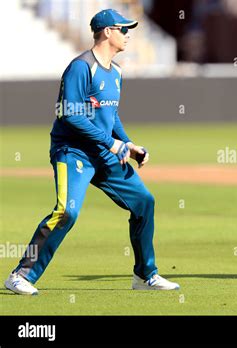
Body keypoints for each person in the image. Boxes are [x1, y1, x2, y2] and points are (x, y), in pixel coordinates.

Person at [5, 9, 179, 295]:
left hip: (104, 154)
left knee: (144, 202)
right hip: (72, 152)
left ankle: (145, 275)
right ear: (107, 32)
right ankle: (21, 275)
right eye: (122, 29)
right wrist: (113, 144)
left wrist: (128, 144)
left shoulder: (117, 72)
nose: (127, 35)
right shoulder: (81, 67)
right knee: (67, 212)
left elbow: (111, 116)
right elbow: (70, 115)